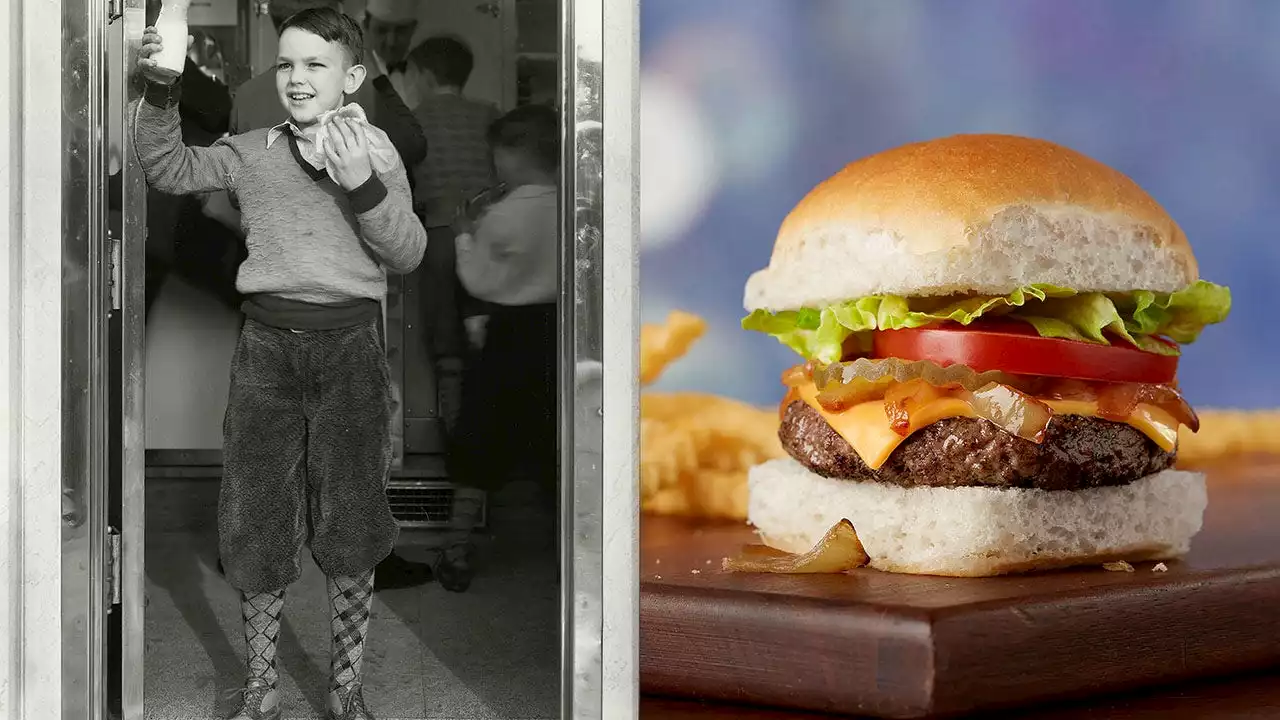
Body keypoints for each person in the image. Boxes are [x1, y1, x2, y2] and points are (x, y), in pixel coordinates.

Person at [134, 8, 427, 719]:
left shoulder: (377, 150)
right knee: (256, 518)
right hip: (265, 349)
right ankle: (261, 689)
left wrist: (361, 183)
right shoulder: (250, 148)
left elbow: (408, 251)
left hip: (350, 349)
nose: (296, 79)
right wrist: (163, 87)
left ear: (352, 78)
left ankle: (346, 690)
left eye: (315, 65)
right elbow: (165, 166)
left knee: (353, 519)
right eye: (286, 64)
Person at [439, 105, 560, 593]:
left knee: (481, 441)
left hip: (509, 336)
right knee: (555, 446)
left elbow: (479, 280)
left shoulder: (501, 216)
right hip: (558, 332)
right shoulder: (577, 210)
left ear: (510, 158)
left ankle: (456, 549)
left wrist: (464, 238)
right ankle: (567, 550)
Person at [406, 35, 500, 439]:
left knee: (445, 337)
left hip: (439, 234)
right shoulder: (490, 115)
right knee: (484, 327)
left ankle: (455, 431)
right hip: (487, 234)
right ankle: (488, 424)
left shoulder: (415, 118)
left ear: (424, 75)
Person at [228, 0, 426, 178]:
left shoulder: (246, 95)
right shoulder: (352, 89)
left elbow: (235, 192)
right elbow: (412, 146)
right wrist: (378, 78)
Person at [362, 0, 422, 111]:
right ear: (366, 26)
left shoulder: (424, 75)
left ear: (413, 28)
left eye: (401, 30)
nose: (391, 42)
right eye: (381, 30)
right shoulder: (352, 76)